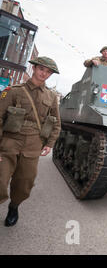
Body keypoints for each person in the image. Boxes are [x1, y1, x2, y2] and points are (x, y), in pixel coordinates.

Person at [0, 57, 61, 227]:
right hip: (9, 141)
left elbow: (56, 122)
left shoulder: (51, 96)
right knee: (0, 179)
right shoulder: (13, 90)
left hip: (33, 144)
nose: (44, 74)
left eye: (48, 72)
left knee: (24, 182)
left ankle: (14, 206)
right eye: (42, 69)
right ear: (33, 68)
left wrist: (50, 143)